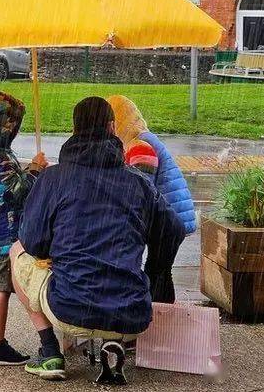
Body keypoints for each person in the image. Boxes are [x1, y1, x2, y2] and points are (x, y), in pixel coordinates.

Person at [11, 97, 185, 382]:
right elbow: (173, 230)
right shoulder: (138, 182)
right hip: (131, 313)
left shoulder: (54, 178)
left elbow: (33, 242)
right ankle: (113, 340)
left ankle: (50, 349)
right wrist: (154, 275)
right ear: (112, 127)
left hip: (69, 307)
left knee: (15, 250)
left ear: (74, 129)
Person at [0, 92, 47, 366]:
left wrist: (26, 169)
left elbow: (2, 187)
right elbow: (16, 193)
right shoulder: (0, 157)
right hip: (4, 235)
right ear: (7, 125)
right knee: (1, 289)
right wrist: (36, 170)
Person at [107, 95, 196, 303]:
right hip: (171, 217)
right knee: (160, 272)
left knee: (157, 273)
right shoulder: (141, 139)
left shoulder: (140, 145)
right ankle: (161, 319)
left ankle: (159, 321)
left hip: (168, 222)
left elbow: (139, 189)